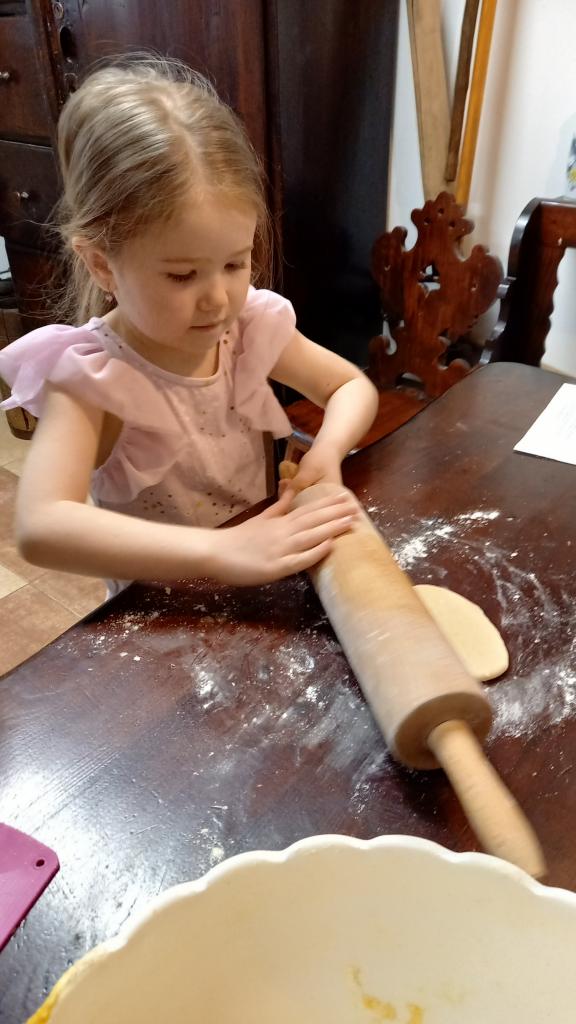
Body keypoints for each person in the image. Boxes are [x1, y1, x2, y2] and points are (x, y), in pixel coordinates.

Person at [0, 57, 378, 592]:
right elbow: (40, 527)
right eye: (182, 275)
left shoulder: (247, 327)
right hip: (160, 617)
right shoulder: (92, 379)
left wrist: (327, 451)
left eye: (235, 263)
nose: (218, 300)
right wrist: (219, 551)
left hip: (255, 580)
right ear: (102, 264)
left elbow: (349, 386)